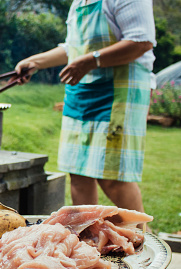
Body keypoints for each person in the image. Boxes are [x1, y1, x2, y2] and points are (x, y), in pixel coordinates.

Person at [13, 0, 156, 219]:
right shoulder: (79, 2)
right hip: (80, 92)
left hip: (118, 92)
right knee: (79, 175)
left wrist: (92, 61)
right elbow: (74, 48)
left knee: (113, 178)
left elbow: (141, 42)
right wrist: (36, 62)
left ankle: (144, 240)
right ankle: (88, 242)